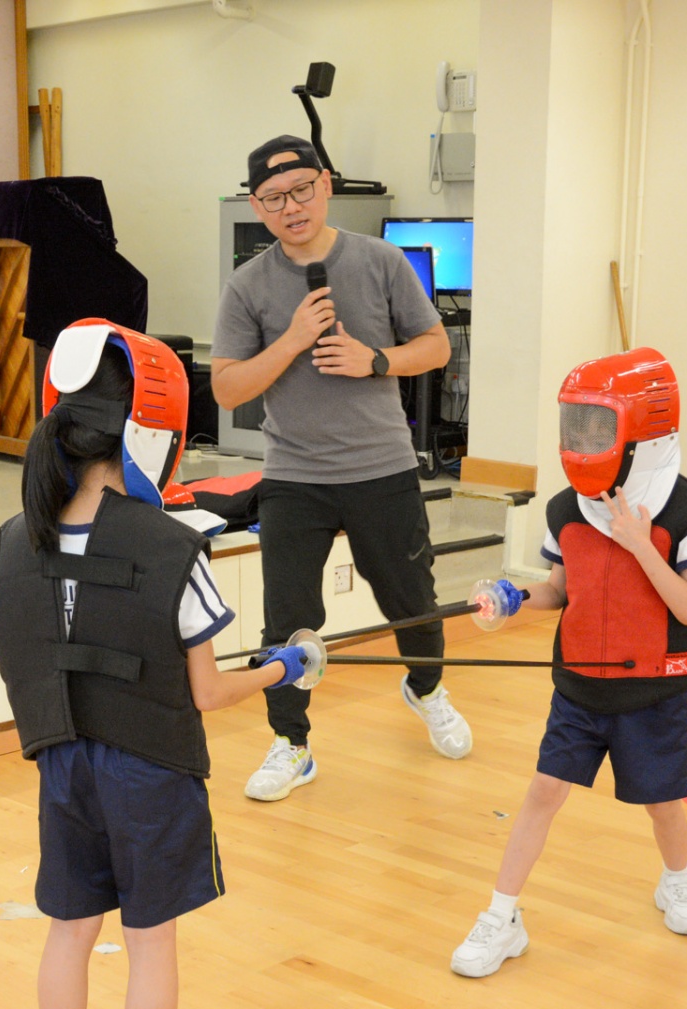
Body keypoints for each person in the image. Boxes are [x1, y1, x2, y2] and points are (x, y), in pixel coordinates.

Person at [0, 320, 321, 1009]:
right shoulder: (173, 545)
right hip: (150, 770)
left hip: (62, 766)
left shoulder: (15, 539)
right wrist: (281, 668)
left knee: (68, 931)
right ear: (151, 435)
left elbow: (20, 651)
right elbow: (207, 692)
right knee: (149, 941)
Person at [450, 348, 687, 978]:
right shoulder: (566, 509)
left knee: (663, 802)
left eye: (599, 427)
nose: (584, 441)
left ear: (643, 432)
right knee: (543, 792)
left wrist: (641, 545)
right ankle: (501, 916)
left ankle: (677, 880)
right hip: (579, 684)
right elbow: (560, 590)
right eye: (577, 425)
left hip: (654, 691)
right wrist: (513, 600)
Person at [211, 134, 467, 805]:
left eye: (301, 190)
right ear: (256, 206)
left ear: (324, 185)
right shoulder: (247, 286)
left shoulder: (381, 261)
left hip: (382, 466)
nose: (290, 207)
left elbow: (436, 346)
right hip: (294, 475)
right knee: (287, 619)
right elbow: (227, 389)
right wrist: (292, 340)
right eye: (273, 199)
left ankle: (427, 690)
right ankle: (291, 744)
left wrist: (375, 360)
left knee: (412, 603)